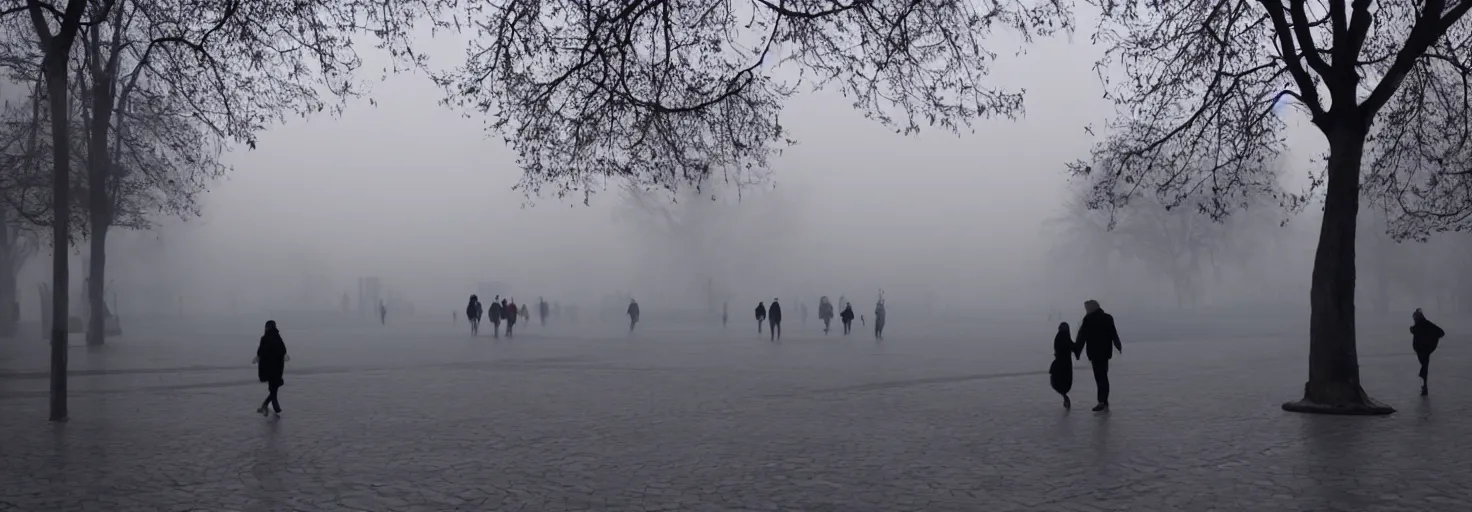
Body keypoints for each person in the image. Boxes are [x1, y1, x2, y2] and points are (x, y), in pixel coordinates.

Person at [1074, 300, 1122, 412]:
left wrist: (1077, 350)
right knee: (1103, 376)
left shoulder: (1088, 319)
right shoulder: (1107, 318)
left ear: (1091, 308)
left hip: (1095, 353)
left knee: (1100, 377)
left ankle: (1102, 401)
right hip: (1105, 352)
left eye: (1086, 308)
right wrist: (1118, 345)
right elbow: (1113, 333)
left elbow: (1082, 336)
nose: (1086, 310)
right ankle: (1104, 401)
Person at [252, 320, 289, 417]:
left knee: (273, 389)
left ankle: (271, 408)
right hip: (277, 368)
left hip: (268, 369)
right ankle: (270, 407)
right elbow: (283, 350)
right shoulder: (277, 338)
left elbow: (260, 352)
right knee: (274, 389)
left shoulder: (264, 338)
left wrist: (259, 358)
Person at [1411, 308, 1446, 396]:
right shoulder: (1419, 325)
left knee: (1424, 366)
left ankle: (1424, 386)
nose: (1414, 319)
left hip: (1425, 349)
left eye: (1415, 317)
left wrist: (1431, 341)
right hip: (1421, 349)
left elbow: (1441, 332)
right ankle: (1424, 385)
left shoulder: (1426, 324)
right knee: (1424, 365)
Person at [1050, 322, 1081, 409]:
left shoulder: (1059, 336)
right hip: (1065, 364)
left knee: (1057, 382)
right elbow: (1073, 346)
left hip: (1059, 363)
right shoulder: (1065, 337)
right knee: (1063, 382)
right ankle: (1065, 397)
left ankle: (1065, 397)